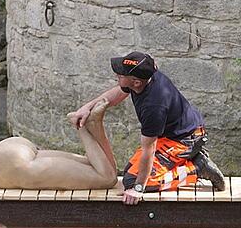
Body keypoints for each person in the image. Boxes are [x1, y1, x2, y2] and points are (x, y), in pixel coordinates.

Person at [68, 51, 225, 206]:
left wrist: (138, 188)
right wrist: (87, 107)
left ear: (136, 82)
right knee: (130, 171)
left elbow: (148, 148)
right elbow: (119, 92)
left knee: (132, 181)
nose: (117, 76)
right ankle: (192, 159)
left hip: (184, 140)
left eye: (121, 76)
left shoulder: (154, 106)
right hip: (171, 133)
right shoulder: (146, 75)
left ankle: (197, 168)